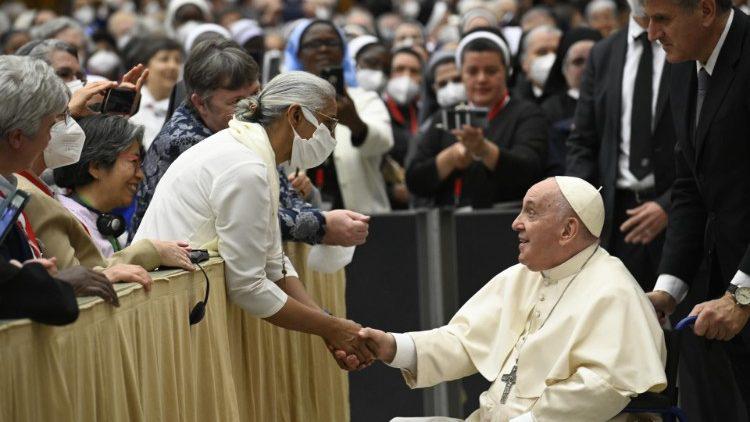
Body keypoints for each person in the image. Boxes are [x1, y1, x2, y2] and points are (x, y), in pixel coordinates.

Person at [355, 177, 666, 421]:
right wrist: (393, 347)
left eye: (530, 212)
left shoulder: (613, 289)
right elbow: (463, 341)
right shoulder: (524, 275)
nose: (516, 222)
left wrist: (531, 420)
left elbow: (606, 386)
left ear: (568, 230)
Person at [134, 71, 372, 368]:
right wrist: (332, 328)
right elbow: (248, 287)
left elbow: (274, 263)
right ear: (296, 116)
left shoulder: (252, 152)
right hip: (165, 311)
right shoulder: (245, 165)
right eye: (329, 124)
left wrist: (329, 326)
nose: (332, 137)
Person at [131, 39, 369, 248]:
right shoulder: (186, 141)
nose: (252, 107)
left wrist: (310, 208)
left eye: (256, 93)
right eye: (237, 101)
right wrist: (323, 225)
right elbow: (249, 220)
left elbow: (282, 198)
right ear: (200, 103)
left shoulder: (249, 131)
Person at [642, 0, 750, 418]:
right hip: (718, 289)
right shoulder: (682, 63)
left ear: (706, 10)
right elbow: (689, 185)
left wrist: (741, 296)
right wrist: (668, 291)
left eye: (662, 19)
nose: (651, 33)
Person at [567, 0, 675, 293]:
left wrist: (668, 205)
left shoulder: (686, 45)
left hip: (680, 212)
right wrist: (584, 208)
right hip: (618, 216)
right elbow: (583, 142)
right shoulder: (603, 53)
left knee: (684, 330)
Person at [0, 55, 120, 306]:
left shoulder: (8, 185)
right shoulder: (17, 189)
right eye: (50, 128)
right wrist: (54, 284)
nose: (49, 140)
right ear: (17, 138)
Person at [406, 29, 548, 208]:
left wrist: (483, 149)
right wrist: (451, 157)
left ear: (507, 72)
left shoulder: (528, 114)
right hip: (449, 225)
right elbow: (414, 180)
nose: (481, 79)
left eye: (491, 71)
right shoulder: (445, 116)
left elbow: (530, 171)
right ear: (461, 74)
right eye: (472, 71)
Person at [285, 19, 394, 214]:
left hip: (362, 222)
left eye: (332, 43)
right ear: (299, 53)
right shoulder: (283, 104)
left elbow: (384, 142)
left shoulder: (364, 98)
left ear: (343, 52)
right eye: (314, 44)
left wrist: (356, 124)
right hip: (300, 224)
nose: (324, 49)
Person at [540, 28, 600, 176]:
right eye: (578, 61)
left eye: (593, 60)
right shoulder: (549, 109)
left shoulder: (619, 102)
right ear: (564, 69)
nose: (587, 68)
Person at [125, 36, 183, 151]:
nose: (173, 66)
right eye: (164, 59)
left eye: (177, 60)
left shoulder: (184, 107)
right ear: (145, 67)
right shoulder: (130, 103)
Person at [383, 47, 423, 209]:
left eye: (414, 71)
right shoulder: (376, 112)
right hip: (388, 207)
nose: (406, 76)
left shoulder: (425, 114)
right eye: (399, 69)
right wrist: (391, 191)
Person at [514, 25, 562, 105]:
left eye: (557, 52)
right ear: (524, 62)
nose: (551, 58)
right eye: (542, 52)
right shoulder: (513, 102)